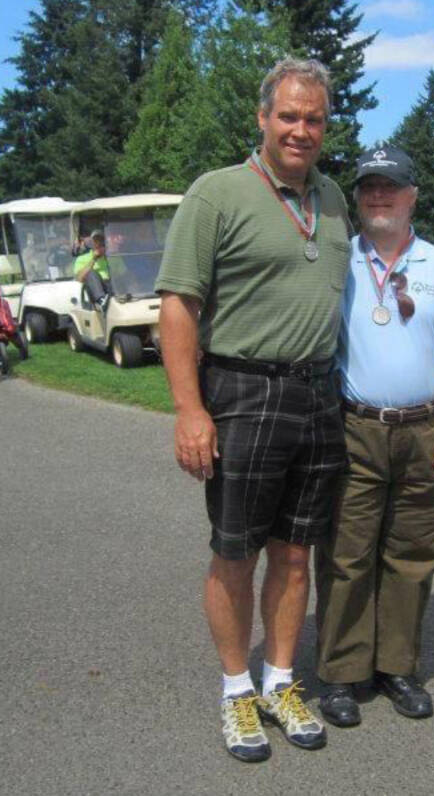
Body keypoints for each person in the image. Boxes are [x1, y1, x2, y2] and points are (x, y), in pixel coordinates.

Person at [155, 58, 352, 763]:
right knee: (235, 551)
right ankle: (237, 690)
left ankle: (280, 680)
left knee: (295, 552)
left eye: (315, 119)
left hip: (316, 393)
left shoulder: (332, 198)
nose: (302, 129)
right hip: (241, 391)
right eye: (290, 115)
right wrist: (189, 409)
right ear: (263, 117)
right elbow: (178, 305)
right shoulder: (218, 194)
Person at [314, 146, 434, 727]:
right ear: (358, 198)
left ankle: (397, 667)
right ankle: (341, 673)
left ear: (413, 195)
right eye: (368, 188)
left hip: (429, 429)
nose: (378, 197)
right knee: (346, 552)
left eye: (390, 186)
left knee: (413, 553)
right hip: (355, 427)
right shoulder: (335, 262)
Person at [73, 230, 110, 312]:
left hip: (111, 286)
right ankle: (101, 300)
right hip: (94, 290)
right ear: (92, 243)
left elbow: (125, 275)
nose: (99, 244)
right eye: (96, 241)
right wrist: (94, 259)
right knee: (90, 273)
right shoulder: (82, 259)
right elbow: (79, 278)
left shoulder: (112, 257)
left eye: (101, 242)